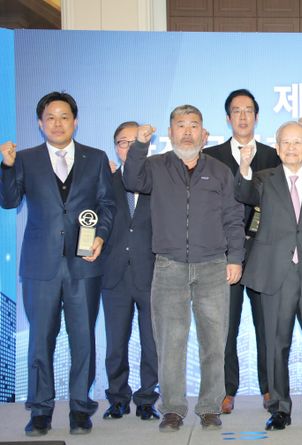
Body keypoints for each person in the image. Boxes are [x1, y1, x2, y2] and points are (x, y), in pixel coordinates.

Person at [123, 105, 245, 432]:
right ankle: (173, 409)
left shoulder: (220, 171)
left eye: (193, 125)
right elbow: (131, 179)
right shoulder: (155, 166)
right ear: (170, 132)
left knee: (213, 342)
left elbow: (233, 217)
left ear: (204, 134)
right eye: (181, 125)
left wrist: (235, 257)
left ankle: (209, 407)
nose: (187, 131)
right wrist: (139, 145)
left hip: (213, 266)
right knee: (170, 344)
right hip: (169, 266)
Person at [0, 91, 115, 436]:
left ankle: (80, 408)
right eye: (50, 117)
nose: (57, 123)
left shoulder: (96, 158)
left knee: (83, 339)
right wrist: (6, 167)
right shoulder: (24, 159)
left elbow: (107, 205)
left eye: (64, 116)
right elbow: (9, 201)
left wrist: (100, 237)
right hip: (40, 265)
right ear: (40, 123)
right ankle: (40, 410)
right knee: (40, 339)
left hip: (84, 263)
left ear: (75, 121)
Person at [236, 121, 302, 431]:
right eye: (286, 142)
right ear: (277, 147)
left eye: (298, 142)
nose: (292, 148)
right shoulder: (262, 179)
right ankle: (279, 408)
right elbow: (242, 192)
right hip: (275, 274)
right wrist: (244, 167)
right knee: (275, 344)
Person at [204, 89, 279, 413]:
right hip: (223, 254)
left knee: (267, 326)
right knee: (225, 326)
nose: (243, 116)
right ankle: (226, 389)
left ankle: (270, 388)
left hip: (264, 253)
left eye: (249, 110)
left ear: (257, 117)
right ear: (228, 118)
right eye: (237, 110)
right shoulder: (210, 156)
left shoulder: (274, 155)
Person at [101, 121, 159, 421]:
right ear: (116, 148)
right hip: (114, 275)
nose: (129, 147)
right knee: (115, 343)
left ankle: (147, 399)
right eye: (123, 142)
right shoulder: (104, 181)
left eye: (135, 141)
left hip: (151, 273)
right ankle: (117, 398)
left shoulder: (158, 180)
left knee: (152, 343)